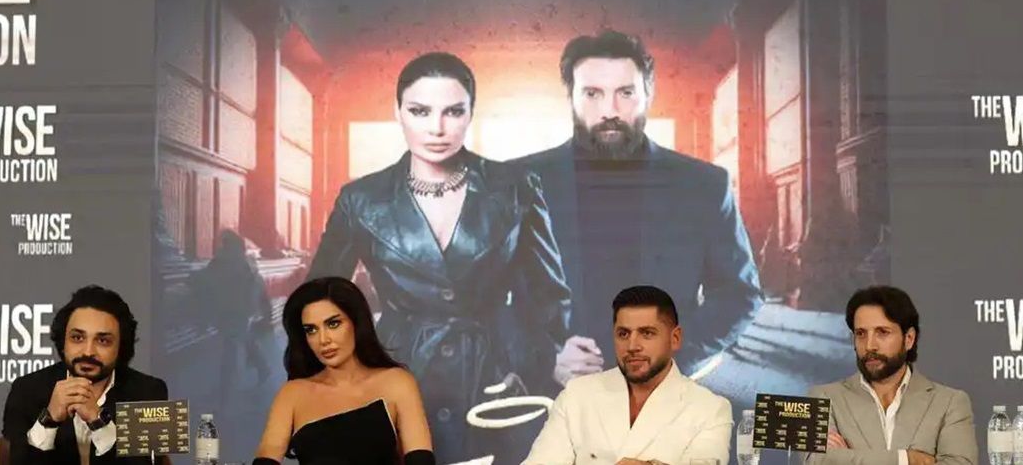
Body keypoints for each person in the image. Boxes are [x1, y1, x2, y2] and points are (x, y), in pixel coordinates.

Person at [306, 52, 572, 462]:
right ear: (397, 112)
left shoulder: (516, 186)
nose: (437, 128)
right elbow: (320, 300)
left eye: (453, 111)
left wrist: (529, 365)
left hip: (496, 375)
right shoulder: (361, 200)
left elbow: (549, 296)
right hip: (395, 375)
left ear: (471, 113)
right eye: (420, 111)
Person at [513, 30, 762, 386]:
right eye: (592, 94)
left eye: (625, 93)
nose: (610, 110)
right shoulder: (517, 183)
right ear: (571, 97)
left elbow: (739, 294)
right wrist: (544, 357)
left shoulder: (704, 185)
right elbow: (483, 302)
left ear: (648, 94)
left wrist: (672, 357)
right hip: (553, 398)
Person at [522, 285, 731, 465]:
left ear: (674, 338)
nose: (632, 346)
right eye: (623, 334)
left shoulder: (710, 410)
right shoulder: (576, 396)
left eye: (647, 333)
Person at [253, 276, 434, 465]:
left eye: (333, 324)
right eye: (311, 330)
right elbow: (267, 457)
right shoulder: (292, 394)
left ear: (356, 323)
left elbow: (421, 459)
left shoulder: (396, 382)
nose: (323, 340)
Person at [804, 286, 978, 465]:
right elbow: (817, 461)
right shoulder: (822, 398)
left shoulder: (949, 403)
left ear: (909, 339)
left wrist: (847, 458)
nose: (870, 345)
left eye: (882, 332)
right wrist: (905, 458)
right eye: (861, 334)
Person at [2, 285, 169, 465]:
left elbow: (149, 463)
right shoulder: (26, 390)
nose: (88, 351)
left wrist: (99, 421)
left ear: (121, 346)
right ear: (63, 341)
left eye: (103, 340)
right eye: (77, 338)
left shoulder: (148, 392)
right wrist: (49, 420)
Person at [190, 229, 273, 406]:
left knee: (231, 346)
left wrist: (194, 277)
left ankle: (226, 388)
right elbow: (256, 285)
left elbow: (207, 278)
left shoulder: (222, 260)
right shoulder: (244, 261)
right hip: (240, 309)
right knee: (241, 339)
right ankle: (262, 368)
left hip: (230, 309)